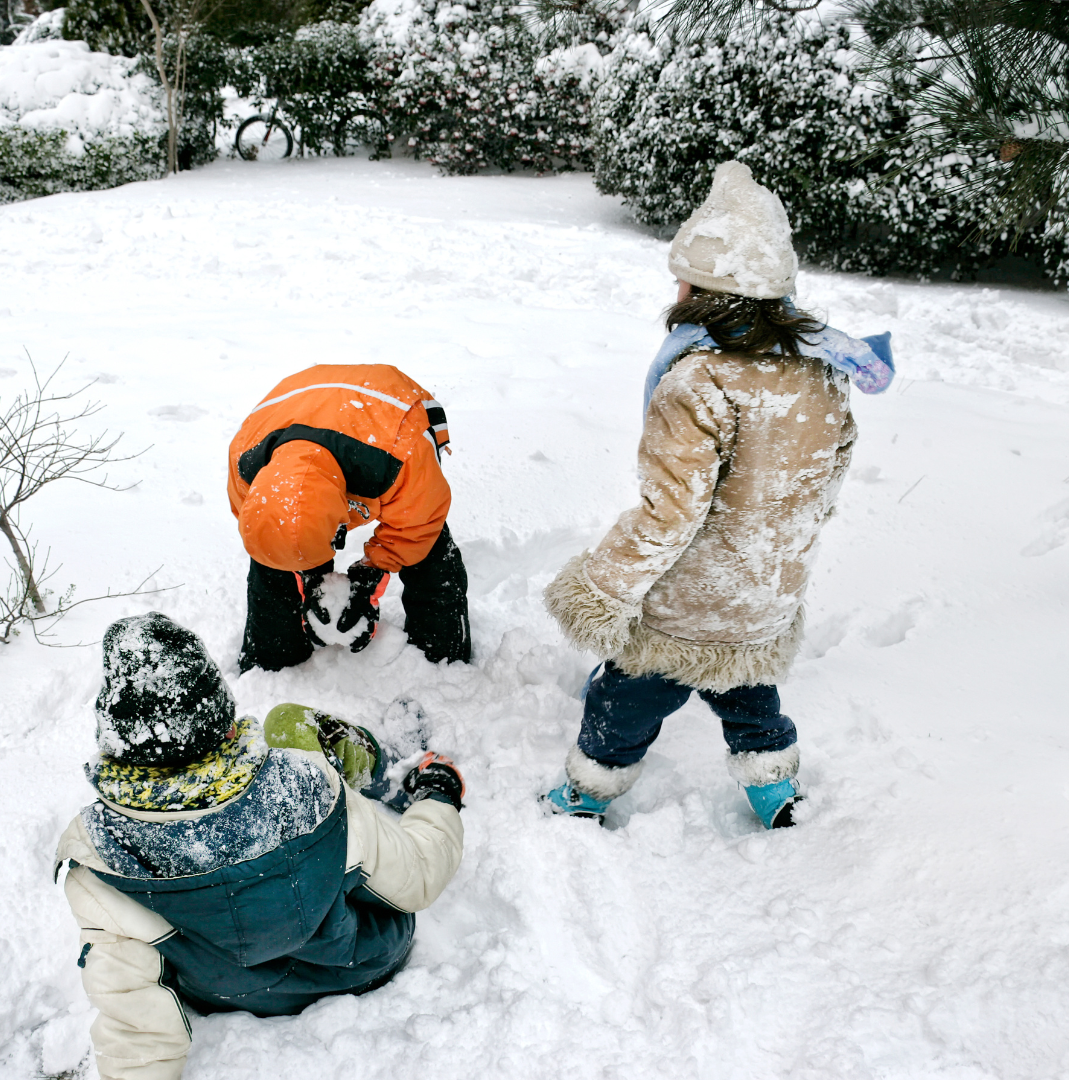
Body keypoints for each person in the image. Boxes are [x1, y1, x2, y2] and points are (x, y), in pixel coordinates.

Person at [543, 161, 894, 828]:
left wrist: (601, 588)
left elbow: (669, 514)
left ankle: (585, 795)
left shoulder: (697, 379)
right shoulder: (821, 372)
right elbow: (829, 471)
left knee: (625, 698)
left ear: (705, 289)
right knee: (749, 693)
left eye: (685, 275)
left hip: (688, 603)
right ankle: (774, 790)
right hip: (766, 589)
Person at [55, 612, 465, 1080]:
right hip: (361, 964)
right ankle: (396, 772)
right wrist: (439, 797)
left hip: (226, 993)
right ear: (223, 724)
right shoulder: (307, 788)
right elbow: (420, 877)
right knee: (287, 724)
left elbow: (137, 1030)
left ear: (118, 746)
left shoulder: (103, 855)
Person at [227, 363, 470, 673]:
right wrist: (310, 579)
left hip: (389, 411)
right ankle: (271, 660)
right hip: (295, 407)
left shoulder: (403, 457)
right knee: (276, 545)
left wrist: (370, 576)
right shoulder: (244, 470)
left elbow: (416, 527)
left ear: (341, 524)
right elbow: (275, 535)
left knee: (425, 542)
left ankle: (442, 658)